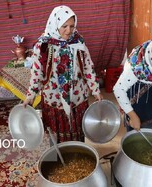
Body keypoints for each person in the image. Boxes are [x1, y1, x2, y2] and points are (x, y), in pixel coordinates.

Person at [23, 5, 102, 143]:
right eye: (64, 26)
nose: (68, 31)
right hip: (54, 98)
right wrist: (30, 96)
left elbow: (88, 66)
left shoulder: (78, 41)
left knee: (77, 132)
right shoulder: (43, 45)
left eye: (72, 26)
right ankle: (59, 158)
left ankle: (78, 153)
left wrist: (95, 89)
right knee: (57, 135)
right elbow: (37, 73)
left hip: (78, 96)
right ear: (55, 24)